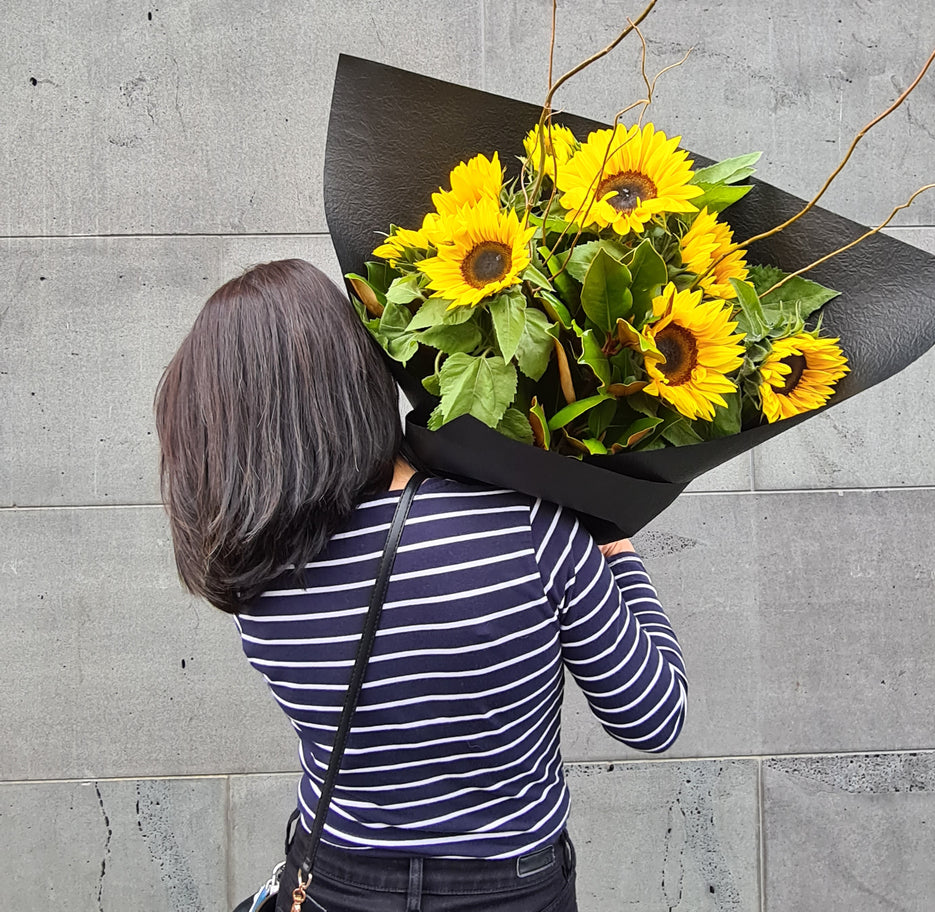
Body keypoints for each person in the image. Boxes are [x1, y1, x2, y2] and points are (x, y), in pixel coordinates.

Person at [155, 258, 687, 912]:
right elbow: (654, 715)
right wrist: (616, 548)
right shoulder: (530, 530)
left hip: (332, 882)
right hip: (509, 885)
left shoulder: (252, 579)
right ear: (359, 371)